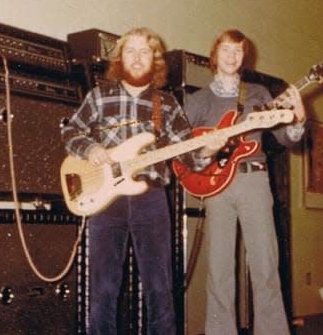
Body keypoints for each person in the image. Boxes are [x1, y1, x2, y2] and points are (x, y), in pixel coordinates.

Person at [61, 27, 226, 334]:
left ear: (155, 60)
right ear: (120, 58)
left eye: (144, 52)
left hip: (151, 199)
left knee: (160, 289)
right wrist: (92, 148)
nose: (137, 59)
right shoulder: (99, 96)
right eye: (130, 51)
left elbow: (188, 156)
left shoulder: (167, 104)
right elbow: (70, 132)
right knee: (104, 291)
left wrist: (208, 149)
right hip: (103, 199)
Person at [184, 29, 306, 335]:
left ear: (244, 57)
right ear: (215, 54)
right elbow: (179, 150)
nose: (232, 56)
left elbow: (284, 138)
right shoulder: (198, 100)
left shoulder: (259, 95)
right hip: (216, 185)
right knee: (220, 269)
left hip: (254, 180)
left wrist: (299, 120)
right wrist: (205, 156)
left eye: (238, 51)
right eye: (226, 49)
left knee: (266, 265)